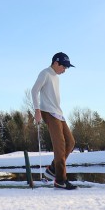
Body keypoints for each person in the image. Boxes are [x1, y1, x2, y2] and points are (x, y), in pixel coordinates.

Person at [31, 52, 76, 190]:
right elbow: (34, 91)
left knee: (70, 142)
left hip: (58, 112)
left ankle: (52, 169)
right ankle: (60, 180)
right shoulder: (45, 73)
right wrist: (37, 110)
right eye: (64, 67)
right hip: (48, 112)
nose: (65, 70)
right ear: (56, 63)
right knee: (60, 144)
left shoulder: (56, 77)